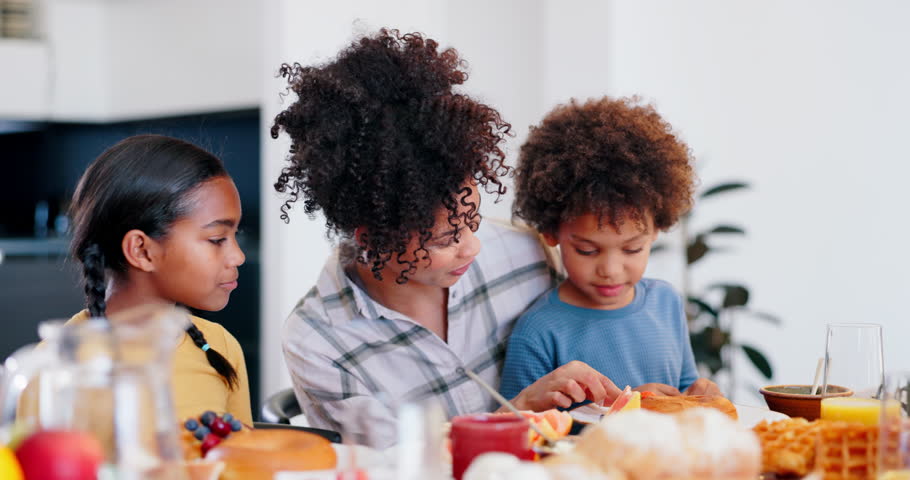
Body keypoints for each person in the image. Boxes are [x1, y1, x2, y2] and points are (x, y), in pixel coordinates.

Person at [272, 28, 621, 448]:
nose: (473, 246)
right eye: (444, 239)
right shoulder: (318, 341)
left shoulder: (525, 255)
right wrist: (516, 413)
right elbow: (391, 468)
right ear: (373, 239)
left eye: (473, 220)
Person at [499, 96, 721, 403]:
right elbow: (521, 421)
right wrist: (628, 408)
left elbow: (683, 389)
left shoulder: (666, 302)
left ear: (656, 229)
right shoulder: (539, 331)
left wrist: (701, 395)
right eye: (587, 251)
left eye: (632, 249)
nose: (611, 271)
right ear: (551, 232)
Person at [54, 134, 252, 424]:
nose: (238, 257)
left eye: (236, 236)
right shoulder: (58, 365)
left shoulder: (220, 346)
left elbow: (242, 452)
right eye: (217, 239)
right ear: (142, 250)